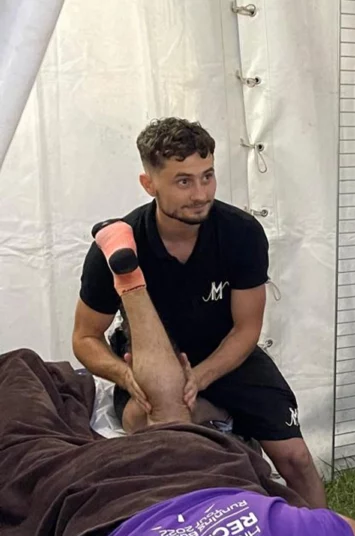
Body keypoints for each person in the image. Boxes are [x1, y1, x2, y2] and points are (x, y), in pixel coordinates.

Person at [0, 223, 355, 536]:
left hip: (134, 481)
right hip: (163, 474)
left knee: (34, 405)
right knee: (42, 413)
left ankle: (132, 287)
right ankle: (134, 303)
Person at [71, 117, 327, 508]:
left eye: (207, 177)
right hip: (153, 359)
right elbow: (85, 337)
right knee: (164, 432)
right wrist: (125, 375)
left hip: (227, 354)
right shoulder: (120, 243)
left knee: (296, 458)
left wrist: (200, 377)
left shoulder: (240, 232)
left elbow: (246, 329)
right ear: (149, 184)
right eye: (183, 181)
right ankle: (209, 427)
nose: (200, 193)